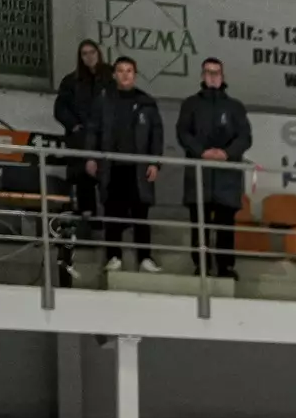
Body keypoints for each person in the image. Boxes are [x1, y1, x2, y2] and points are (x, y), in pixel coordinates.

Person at [176, 58, 251, 280]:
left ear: (223, 76)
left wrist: (226, 154)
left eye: (216, 72)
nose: (212, 76)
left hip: (227, 176)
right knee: (200, 224)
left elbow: (245, 137)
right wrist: (202, 152)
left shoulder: (235, 107)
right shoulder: (190, 104)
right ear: (202, 76)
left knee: (226, 225)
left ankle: (225, 267)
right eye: (208, 72)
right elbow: (183, 133)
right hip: (199, 175)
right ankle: (202, 265)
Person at [91, 56, 163, 272]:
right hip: (113, 167)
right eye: (120, 70)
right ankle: (114, 257)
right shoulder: (104, 100)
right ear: (114, 74)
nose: (125, 74)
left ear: (135, 74)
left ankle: (145, 258)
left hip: (138, 168)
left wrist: (155, 162)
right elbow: (93, 130)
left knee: (141, 213)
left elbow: (156, 135)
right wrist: (91, 157)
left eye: (129, 70)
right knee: (112, 211)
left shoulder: (146, 102)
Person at [53, 39, 109, 280]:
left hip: (106, 140)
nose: (88, 57)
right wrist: (74, 126)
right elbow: (60, 108)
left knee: (109, 180)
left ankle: (108, 223)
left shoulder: (111, 78)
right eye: (84, 53)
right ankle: (89, 220)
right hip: (81, 138)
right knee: (84, 179)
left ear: (99, 53)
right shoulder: (71, 80)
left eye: (92, 52)